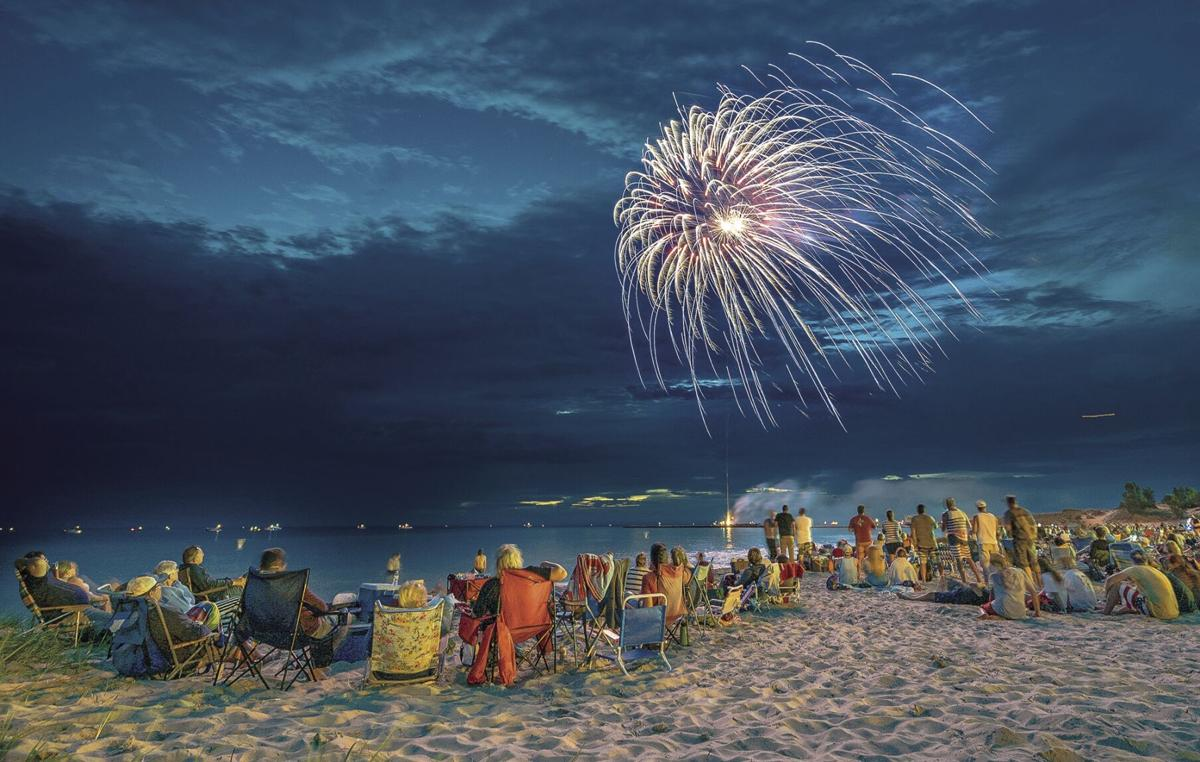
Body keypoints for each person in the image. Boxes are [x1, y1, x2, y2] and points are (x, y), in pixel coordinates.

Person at [258, 547, 352, 675]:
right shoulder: (292, 583)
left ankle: (315, 662)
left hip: (266, 633)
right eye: (283, 564)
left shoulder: (256, 583)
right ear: (278, 566)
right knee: (345, 617)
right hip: (297, 634)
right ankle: (320, 667)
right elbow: (322, 607)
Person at [125, 575, 212, 670]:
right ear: (151, 593)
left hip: (138, 660)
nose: (161, 588)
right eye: (158, 586)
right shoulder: (164, 611)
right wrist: (205, 627)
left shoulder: (130, 611)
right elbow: (193, 633)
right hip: (175, 659)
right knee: (220, 641)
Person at [19, 555, 112, 638]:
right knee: (111, 619)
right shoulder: (40, 587)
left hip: (74, 609)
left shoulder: (37, 583)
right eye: (43, 563)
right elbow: (52, 602)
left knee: (108, 619)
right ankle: (105, 636)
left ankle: (104, 633)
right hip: (72, 612)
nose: (47, 563)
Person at [473, 544, 567, 618]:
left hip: (504, 631)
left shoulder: (492, 584)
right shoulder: (532, 574)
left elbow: (477, 613)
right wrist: (546, 563)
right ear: (519, 560)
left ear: (499, 563)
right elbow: (562, 573)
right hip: (534, 625)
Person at [1102, 552, 1179, 620]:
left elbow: (1110, 580)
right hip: (1172, 612)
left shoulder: (1136, 569)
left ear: (1132, 561)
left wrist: (1106, 597)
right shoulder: (1154, 570)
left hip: (1158, 613)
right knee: (1135, 591)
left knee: (1117, 586)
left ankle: (1106, 611)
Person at [980, 554, 1037, 620]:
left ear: (993, 564)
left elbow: (992, 597)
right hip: (1020, 612)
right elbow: (1033, 592)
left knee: (983, 607)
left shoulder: (994, 576)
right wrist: (1037, 612)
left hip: (1003, 609)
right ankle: (1001, 617)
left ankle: (987, 614)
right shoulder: (1020, 571)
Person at [179, 546, 245, 601]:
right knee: (241, 589)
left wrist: (231, 580)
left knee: (242, 581)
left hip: (210, 593)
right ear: (195, 557)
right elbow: (210, 585)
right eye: (201, 553)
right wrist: (232, 582)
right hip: (213, 596)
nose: (203, 555)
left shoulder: (186, 568)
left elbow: (210, 583)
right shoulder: (194, 569)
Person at [941, 498, 982, 585]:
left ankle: (964, 580)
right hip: (964, 538)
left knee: (959, 560)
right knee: (969, 558)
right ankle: (979, 578)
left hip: (954, 538)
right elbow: (969, 526)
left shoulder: (946, 514)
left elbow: (943, 528)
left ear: (947, 505)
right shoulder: (962, 512)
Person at [1002, 495, 1040, 589]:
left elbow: (1008, 528)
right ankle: (1039, 584)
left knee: (1024, 563)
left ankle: (1032, 586)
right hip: (1031, 539)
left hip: (1020, 540)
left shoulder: (1009, 513)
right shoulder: (1025, 511)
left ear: (1008, 503)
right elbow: (1033, 525)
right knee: (1034, 562)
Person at [898, 577, 990, 606]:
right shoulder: (988, 595)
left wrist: (981, 585)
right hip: (962, 590)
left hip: (959, 594)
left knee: (931, 595)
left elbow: (973, 585)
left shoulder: (985, 596)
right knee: (945, 578)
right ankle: (941, 591)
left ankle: (910, 599)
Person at [909, 504, 937, 582]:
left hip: (921, 543)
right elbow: (935, 526)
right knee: (937, 561)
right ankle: (941, 576)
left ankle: (924, 580)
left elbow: (913, 532)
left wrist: (915, 544)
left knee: (923, 562)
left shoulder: (914, 519)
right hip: (932, 543)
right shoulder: (930, 518)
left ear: (917, 510)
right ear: (924, 510)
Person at [971, 501, 1001, 574]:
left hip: (983, 542)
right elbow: (998, 531)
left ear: (978, 508)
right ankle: (997, 582)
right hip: (994, 542)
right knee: (996, 564)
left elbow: (974, 530)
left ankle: (987, 582)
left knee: (985, 565)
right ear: (985, 507)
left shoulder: (976, 516)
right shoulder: (993, 516)